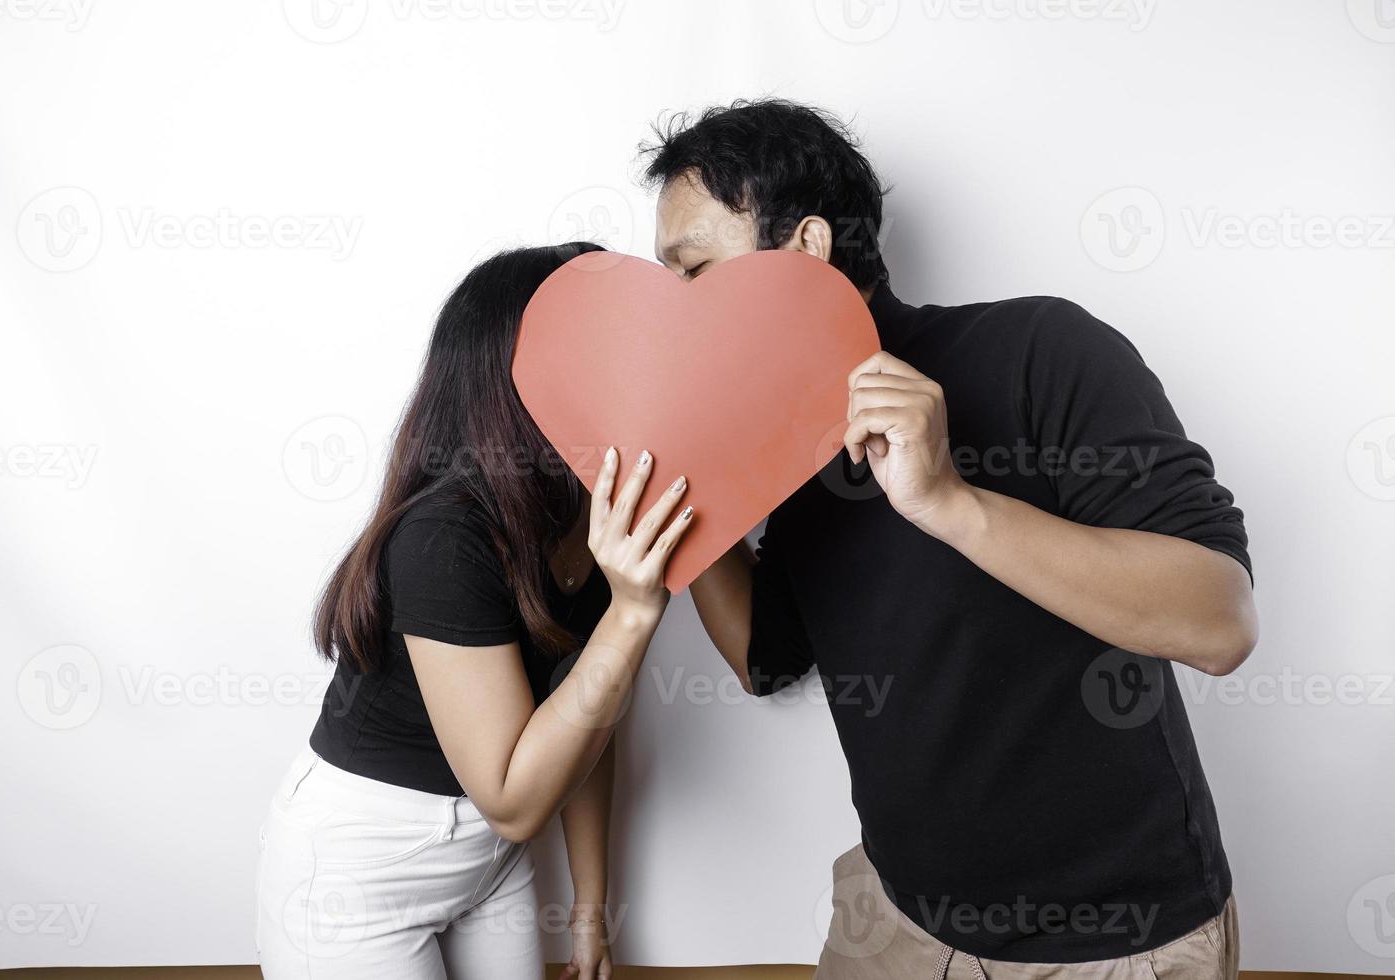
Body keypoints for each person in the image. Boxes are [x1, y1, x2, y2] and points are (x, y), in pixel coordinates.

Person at [643, 100, 1255, 978]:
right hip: (895, 919)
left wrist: (950, 503)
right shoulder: (784, 450)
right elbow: (761, 657)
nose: (678, 314)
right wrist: (687, 501)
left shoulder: (1041, 347)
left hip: (1114, 941)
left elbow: (1221, 623)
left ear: (806, 248)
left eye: (694, 271)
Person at [254, 242, 695, 980]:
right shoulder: (445, 534)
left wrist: (591, 909)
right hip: (363, 867)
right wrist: (631, 613)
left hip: (490, 861)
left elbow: (589, 718)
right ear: (516, 375)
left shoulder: (593, 510)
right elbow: (515, 801)